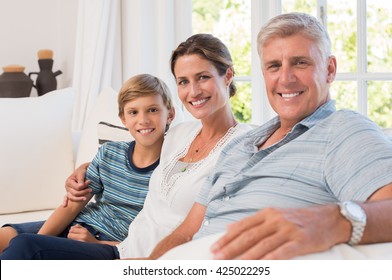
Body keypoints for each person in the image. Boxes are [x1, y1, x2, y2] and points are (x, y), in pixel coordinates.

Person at [142, 12, 392, 260]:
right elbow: (186, 232)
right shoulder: (238, 146)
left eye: (300, 62)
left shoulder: (343, 129)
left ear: (329, 69)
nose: (285, 78)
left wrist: (332, 220)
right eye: (274, 66)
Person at [0, 34, 252, 259]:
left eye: (203, 77)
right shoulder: (179, 135)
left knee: (26, 247)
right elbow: (138, 153)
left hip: (133, 255)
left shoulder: (241, 145)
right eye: (183, 81)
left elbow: (199, 227)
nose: (193, 91)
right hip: (119, 243)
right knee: (16, 241)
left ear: (228, 75)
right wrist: (85, 168)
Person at [0, 73, 175, 253]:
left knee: (23, 249)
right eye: (133, 112)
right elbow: (72, 205)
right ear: (123, 119)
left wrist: (97, 244)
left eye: (152, 110)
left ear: (170, 114)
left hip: (105, 241)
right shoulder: (109, 153)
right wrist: (38, 239)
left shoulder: (174, 169)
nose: (143, 120)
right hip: (77, 223)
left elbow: (159, 239)